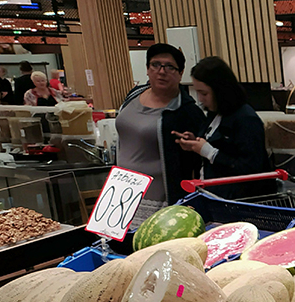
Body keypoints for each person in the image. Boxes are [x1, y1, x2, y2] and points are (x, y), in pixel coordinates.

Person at [174, 57, 275, 199]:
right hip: (212, 194)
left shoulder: (246, 119)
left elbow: (251, 168)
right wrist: (195, 142)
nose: (200, 99)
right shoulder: (214, 113)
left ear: (220, 90)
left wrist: (210, 152)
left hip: (238, 200)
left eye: (204, 93)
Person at [116, 43, 206, 202]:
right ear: (147, 69)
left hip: (158, 195)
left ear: (180, 73)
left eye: (170, 67)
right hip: (121, 188)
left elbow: (197, 162)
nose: (161, 71)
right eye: (155, 65)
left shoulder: (187, 111)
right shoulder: (134, 94)